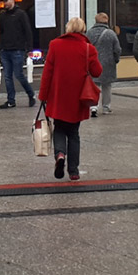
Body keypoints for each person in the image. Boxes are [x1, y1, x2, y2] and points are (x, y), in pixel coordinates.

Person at [39, 17, 102, 180]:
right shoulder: (88, 48)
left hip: (58, 94)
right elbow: (97, 72)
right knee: (74, 132)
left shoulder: (55, 45)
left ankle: (60, 154)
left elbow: (47, 73)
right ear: (83, 29)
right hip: (78, 96)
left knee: (59, 128)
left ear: (68, 29)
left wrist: (43, 95)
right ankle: (73, 170)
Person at [0, 0, 35, 109]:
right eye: (4, 1)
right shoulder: (3, 16)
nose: (5, 3)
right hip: (6, 49)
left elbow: (28, 31)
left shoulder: (21, 14)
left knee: (18, 74)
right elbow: (1, 32)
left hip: (17, 49)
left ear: (12, 0)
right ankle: (11, 100)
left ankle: (30, 93)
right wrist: (1, 47)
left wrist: (29, 48)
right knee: (7, 76)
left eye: (7, 1)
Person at [86, 13, 121, 117]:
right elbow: (117, 49)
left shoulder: (89, 33)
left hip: (93, 62)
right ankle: (106, 107)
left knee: (94, 85)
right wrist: (116, 59)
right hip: (108, 63)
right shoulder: (111, 33)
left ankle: (93, 106)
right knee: (106, 85)